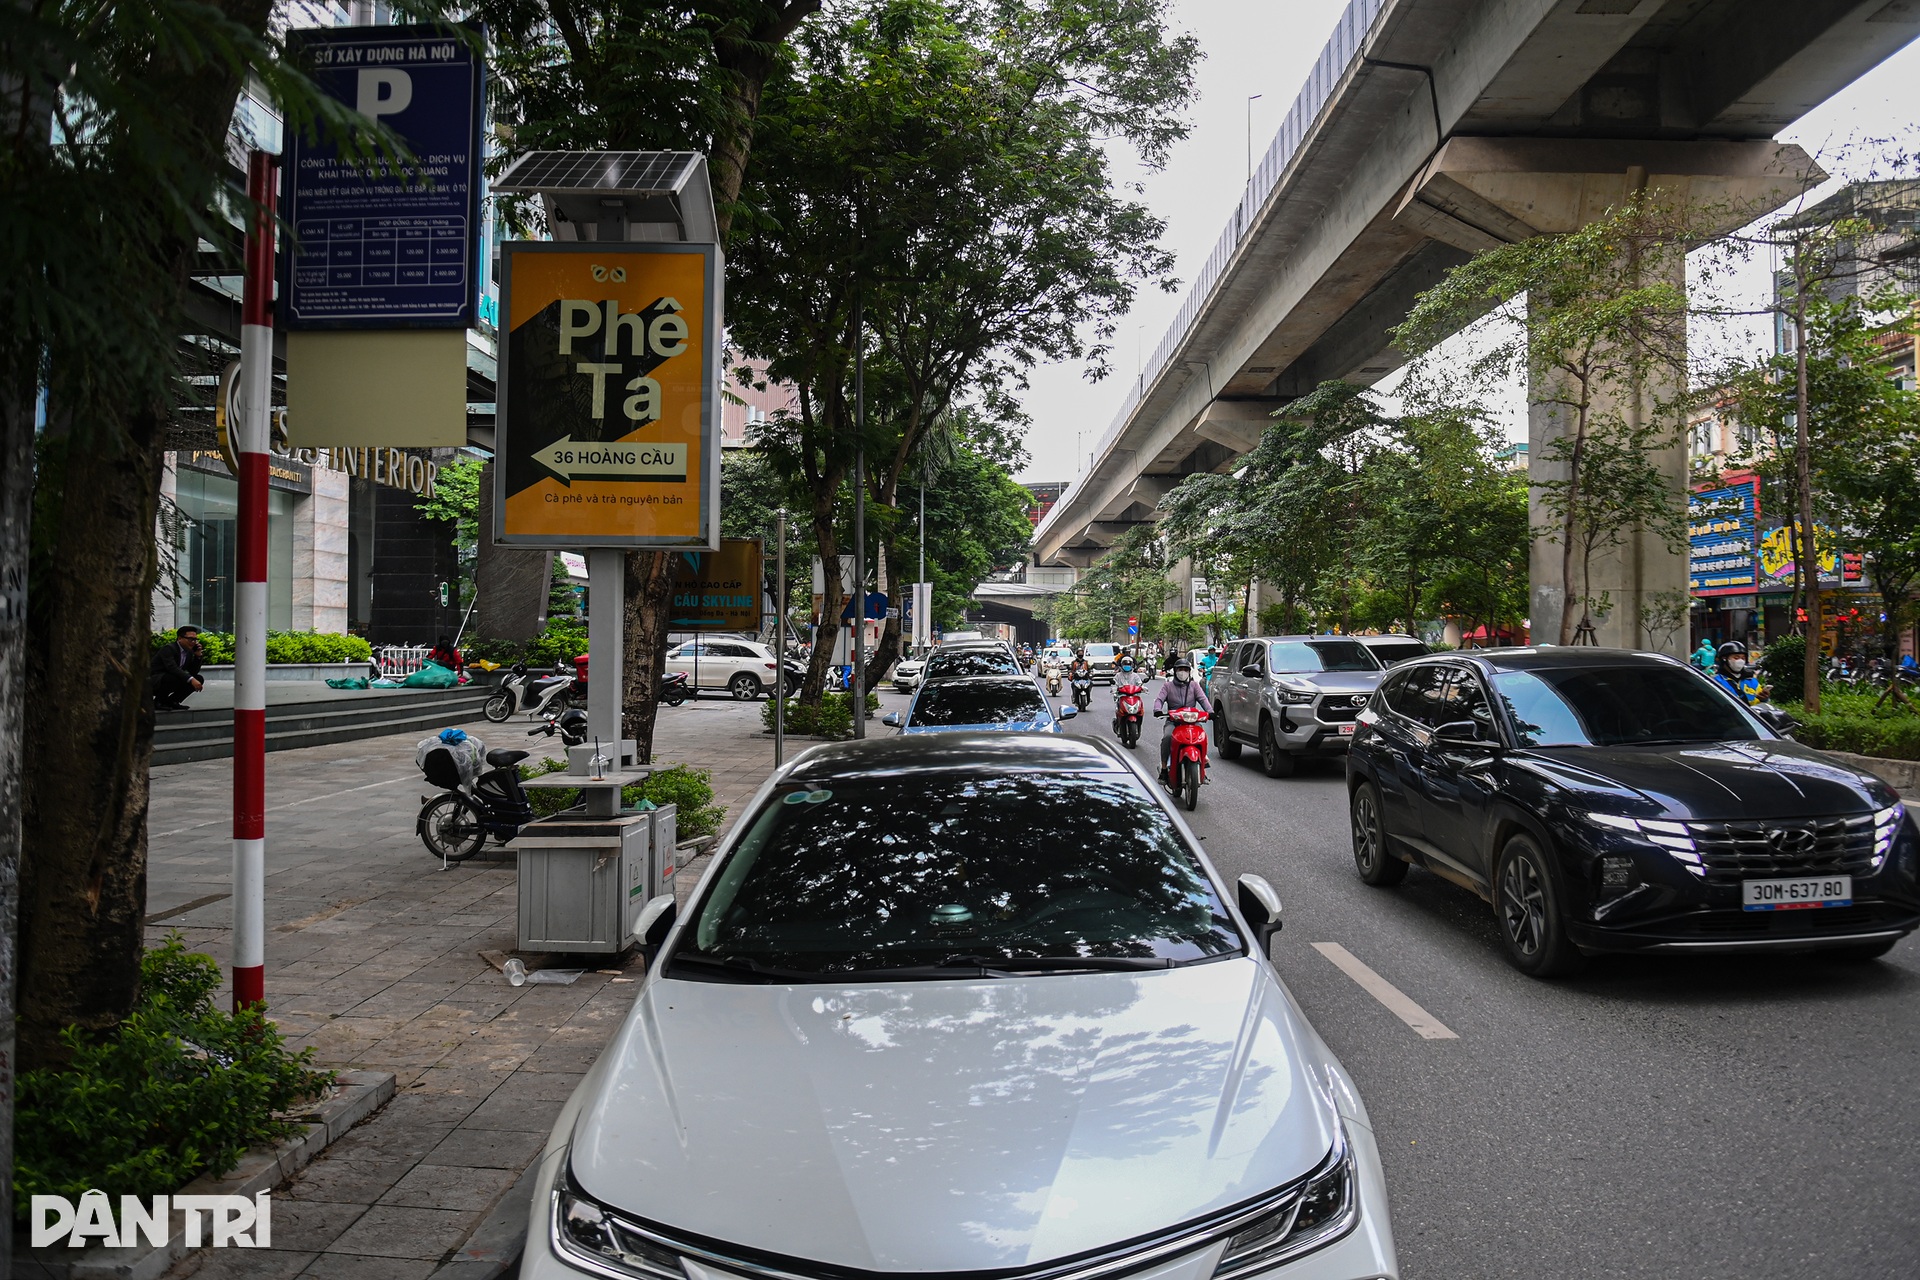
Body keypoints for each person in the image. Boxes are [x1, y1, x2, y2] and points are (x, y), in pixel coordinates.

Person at [1152, 657, 1212, 782]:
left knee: (1202, 736)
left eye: (1185, 669)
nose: (1182, 672)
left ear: (1189, 672)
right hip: (1173, 721)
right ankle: (1164, 768)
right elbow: (1159, 699)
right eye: (1180, 669)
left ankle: (1202, 766)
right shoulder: (1167, 686)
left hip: (1192, 722)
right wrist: (1157, 709)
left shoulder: (1194, 686)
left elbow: (1203, 699)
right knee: (1167, 737)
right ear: (1175, 671)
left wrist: (1210, 712)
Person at [151, 625, 205, 709]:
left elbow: (193, 672)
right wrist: (191, 679)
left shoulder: (189, 652)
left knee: (198, 678)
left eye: (195, 639)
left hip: (172, 678)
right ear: (180, 638)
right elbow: (172, 668)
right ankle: (158, 702)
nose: (194, 642)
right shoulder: (169, 649)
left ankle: (172, 701)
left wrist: (198, 656)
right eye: (190, 639)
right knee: (173, 678)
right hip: (155, 679)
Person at [1713, 642, 1765, 706]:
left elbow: (1761, 704)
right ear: (1724, 659)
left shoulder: (1751, 680)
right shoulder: (1715, 681)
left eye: (1743, 658)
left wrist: (1764, 698)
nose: (1740, 661)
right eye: (1736, 658)